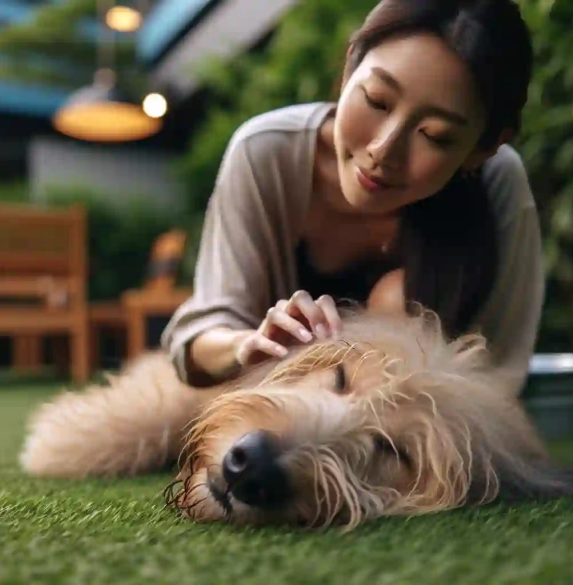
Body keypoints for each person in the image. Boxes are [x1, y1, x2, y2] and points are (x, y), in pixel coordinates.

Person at [161, 0, 543, 395]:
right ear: (348, 71)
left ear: (484, 148)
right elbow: (200, 336)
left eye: (434, 135)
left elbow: (497, 374)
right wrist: (249, 344)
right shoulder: (266, 152)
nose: (383, 150)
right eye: (377, 100)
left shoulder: (498, 182)